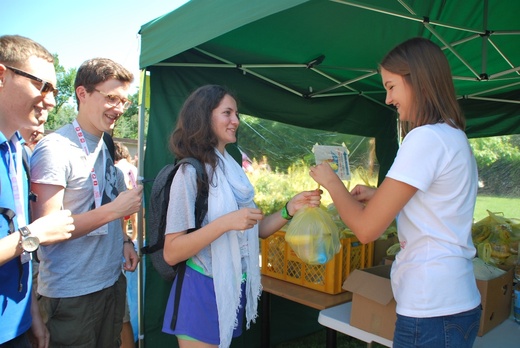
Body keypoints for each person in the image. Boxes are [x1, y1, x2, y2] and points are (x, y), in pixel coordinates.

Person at [310, 37, 481, 347]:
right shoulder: (453, 135)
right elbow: (438, 203)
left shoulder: (425, 138)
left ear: (418, 81)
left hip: (431, 308)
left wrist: (332, 182)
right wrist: (380, 196)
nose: (388, 99)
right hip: (458, 302)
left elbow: (365, 230)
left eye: (391, 86)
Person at [161, 84, 322, 348]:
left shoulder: (233, 170)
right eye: (227, 113)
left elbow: (254, 230)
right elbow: (172, 251)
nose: (236, 121)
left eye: (236, 114)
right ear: (204, 116)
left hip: (231, 286)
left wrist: (289, 209)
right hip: (200, 291)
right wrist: (225, 223)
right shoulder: (189, 173)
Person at [30, 57, 143, 347]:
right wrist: (113, 211)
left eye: (124, 101)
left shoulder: (104, 144)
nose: (118, 108)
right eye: (111, 98)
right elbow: (46, 232)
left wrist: (125, 243)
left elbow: (109, 200)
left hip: (111, 281)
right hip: (72, 294)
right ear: (82, 94)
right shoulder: (55, 148)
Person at [0, 34, 75, 348]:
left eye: (54, 90)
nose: (51, 100)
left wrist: (30, 313)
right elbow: (27, 237)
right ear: (2, 75)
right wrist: (34, 234)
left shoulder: (17, 151)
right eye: (41, 85)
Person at [114, 141, 138, 241]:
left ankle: (125, 239)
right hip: (133, 194)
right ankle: (134, 238)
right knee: (134, 220)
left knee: (122, 221)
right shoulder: (132, 167)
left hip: (121, 197)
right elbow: (134, 183)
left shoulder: (116, 168)